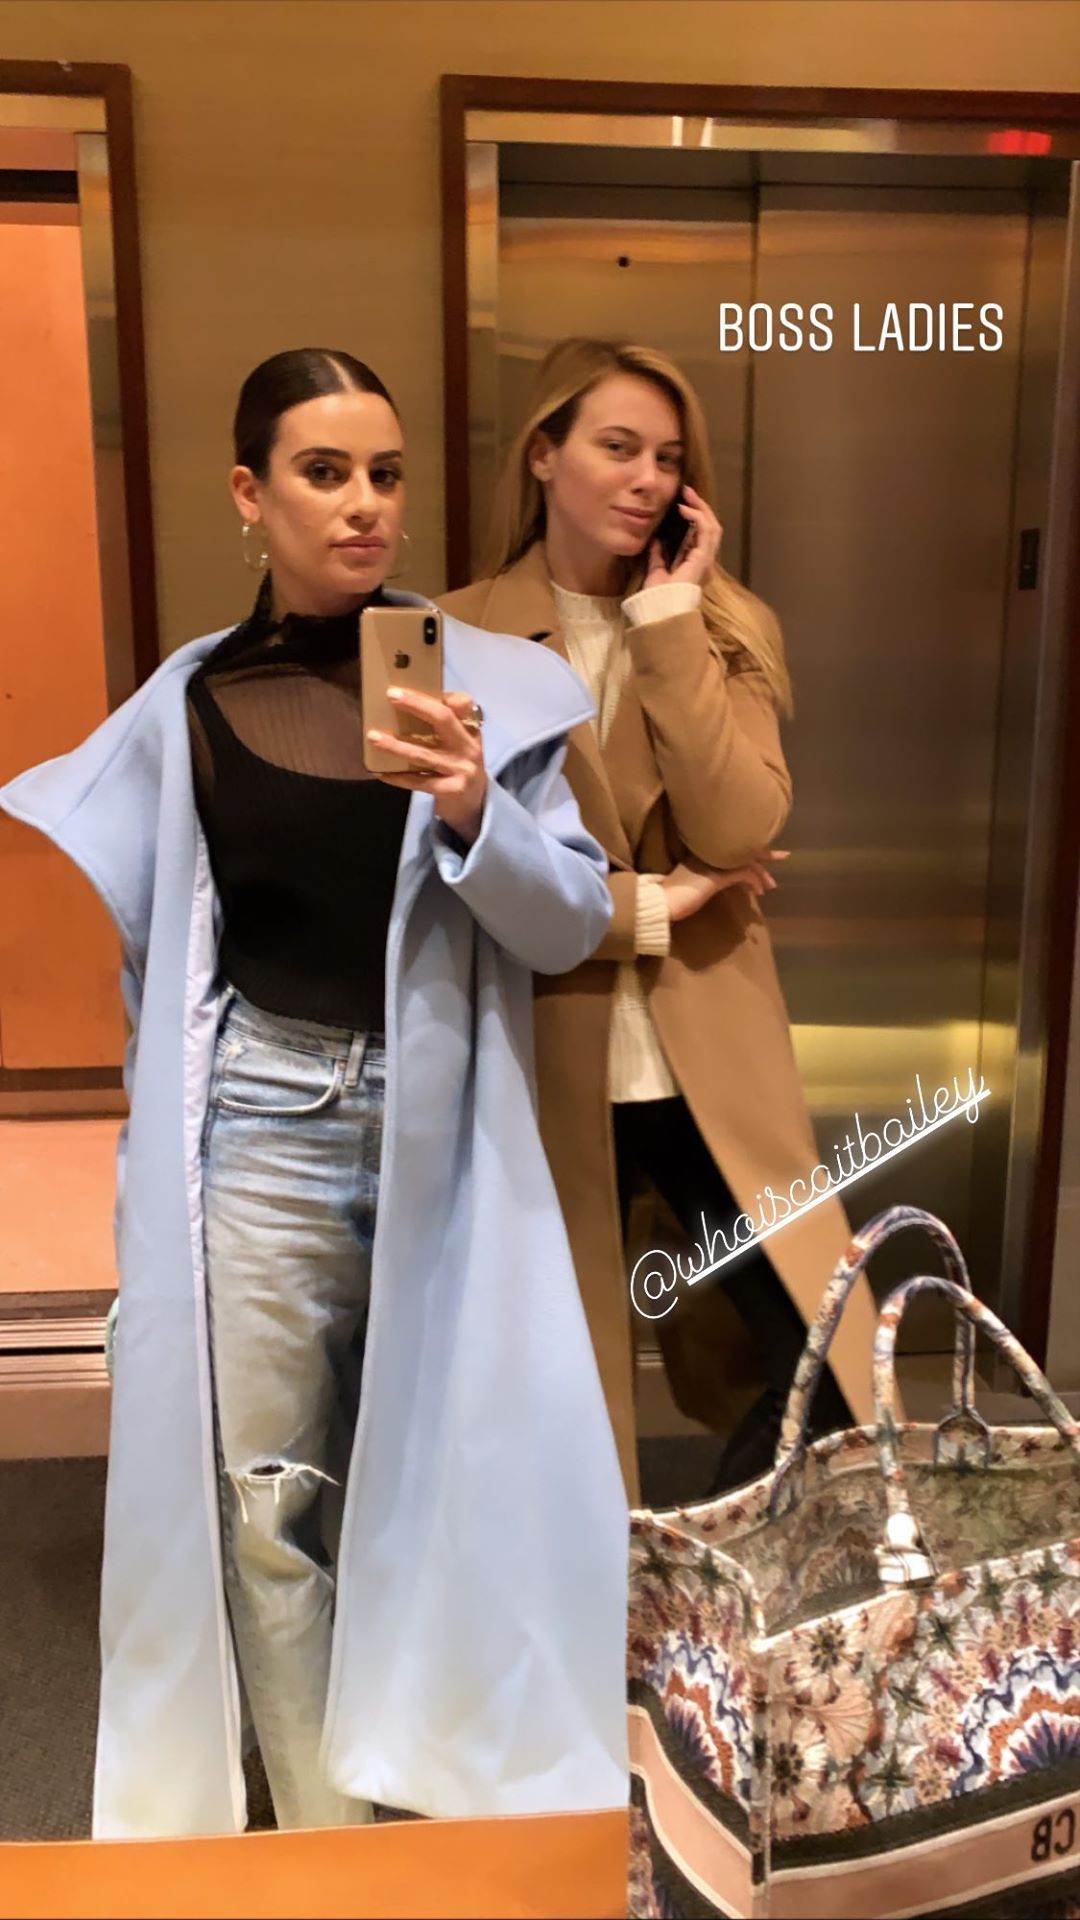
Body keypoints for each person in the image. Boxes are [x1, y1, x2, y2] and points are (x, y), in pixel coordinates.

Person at [0, 347, 630, 1838]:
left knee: (448, 1471)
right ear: (250, 491)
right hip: (261, 1122)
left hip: (443, 1127)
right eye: (324, 472)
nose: (364, 506)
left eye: (386, 475)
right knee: (270, 1499)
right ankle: (323, 1841)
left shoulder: (491, 693)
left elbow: (571, 925)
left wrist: (472, 808)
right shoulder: (195, 707)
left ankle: (452, 1794)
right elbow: (174, 961)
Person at [438, 336, 886, 1510]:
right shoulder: (457, 635)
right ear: (544, 453)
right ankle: (597, 1585)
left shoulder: (719, 625)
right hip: (544, 1046)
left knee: (817, 1350)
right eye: (617, 446)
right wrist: (647, 905)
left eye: (668, 458)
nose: (646, 479)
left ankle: (728, 1556)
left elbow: (738, 826)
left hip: (710, 1052)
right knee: (564, 1376)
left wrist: (670, 620)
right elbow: (471, 876)